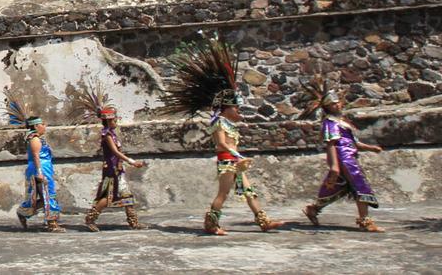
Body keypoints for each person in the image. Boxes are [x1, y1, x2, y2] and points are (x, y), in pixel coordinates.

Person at [161, 35, 284, 235]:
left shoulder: (228, 123)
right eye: (236, 109)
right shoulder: (218, 123)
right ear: (227, 109)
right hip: (227, 161)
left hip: (235, 161)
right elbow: (221, 144)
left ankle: (263, 220)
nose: (239, 113)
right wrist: (238, 156)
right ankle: (211, 223)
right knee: (223, 194)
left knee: (248, 190)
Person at [300, 76, 385, 232]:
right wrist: (334, 166)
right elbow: (331, 144)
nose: (336, 105)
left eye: (337, 101)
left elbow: (354, 143)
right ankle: (365, 221)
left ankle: (314, 209)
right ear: (326, 107)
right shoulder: (330, 123)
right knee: (360, 186)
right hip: (344, 160)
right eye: (332, 104)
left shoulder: (342, 122)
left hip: (350, 157)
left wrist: (371, 148)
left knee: (338, 188)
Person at [74, 82, 146, 231]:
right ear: (108, 120)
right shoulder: (106, 135)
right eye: (114, 119)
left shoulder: (112, 134)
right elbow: (115, 152)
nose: (116, 121)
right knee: (107, 197)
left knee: (126, 194)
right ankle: (90, 218)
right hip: (111, 170)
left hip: (118, 169)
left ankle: (133, 222)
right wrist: (132, 161)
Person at [6, 90, 63, 232]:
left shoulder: (39, 138)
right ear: (36, 126)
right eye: (42, 124)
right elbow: (36, 156)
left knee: (46, 196)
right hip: (40, 169)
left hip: (45, 168)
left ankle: (24, 212)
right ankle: (52, 224)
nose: (45, 126)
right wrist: (39, 172)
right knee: (47, 194)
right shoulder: (35, 139)